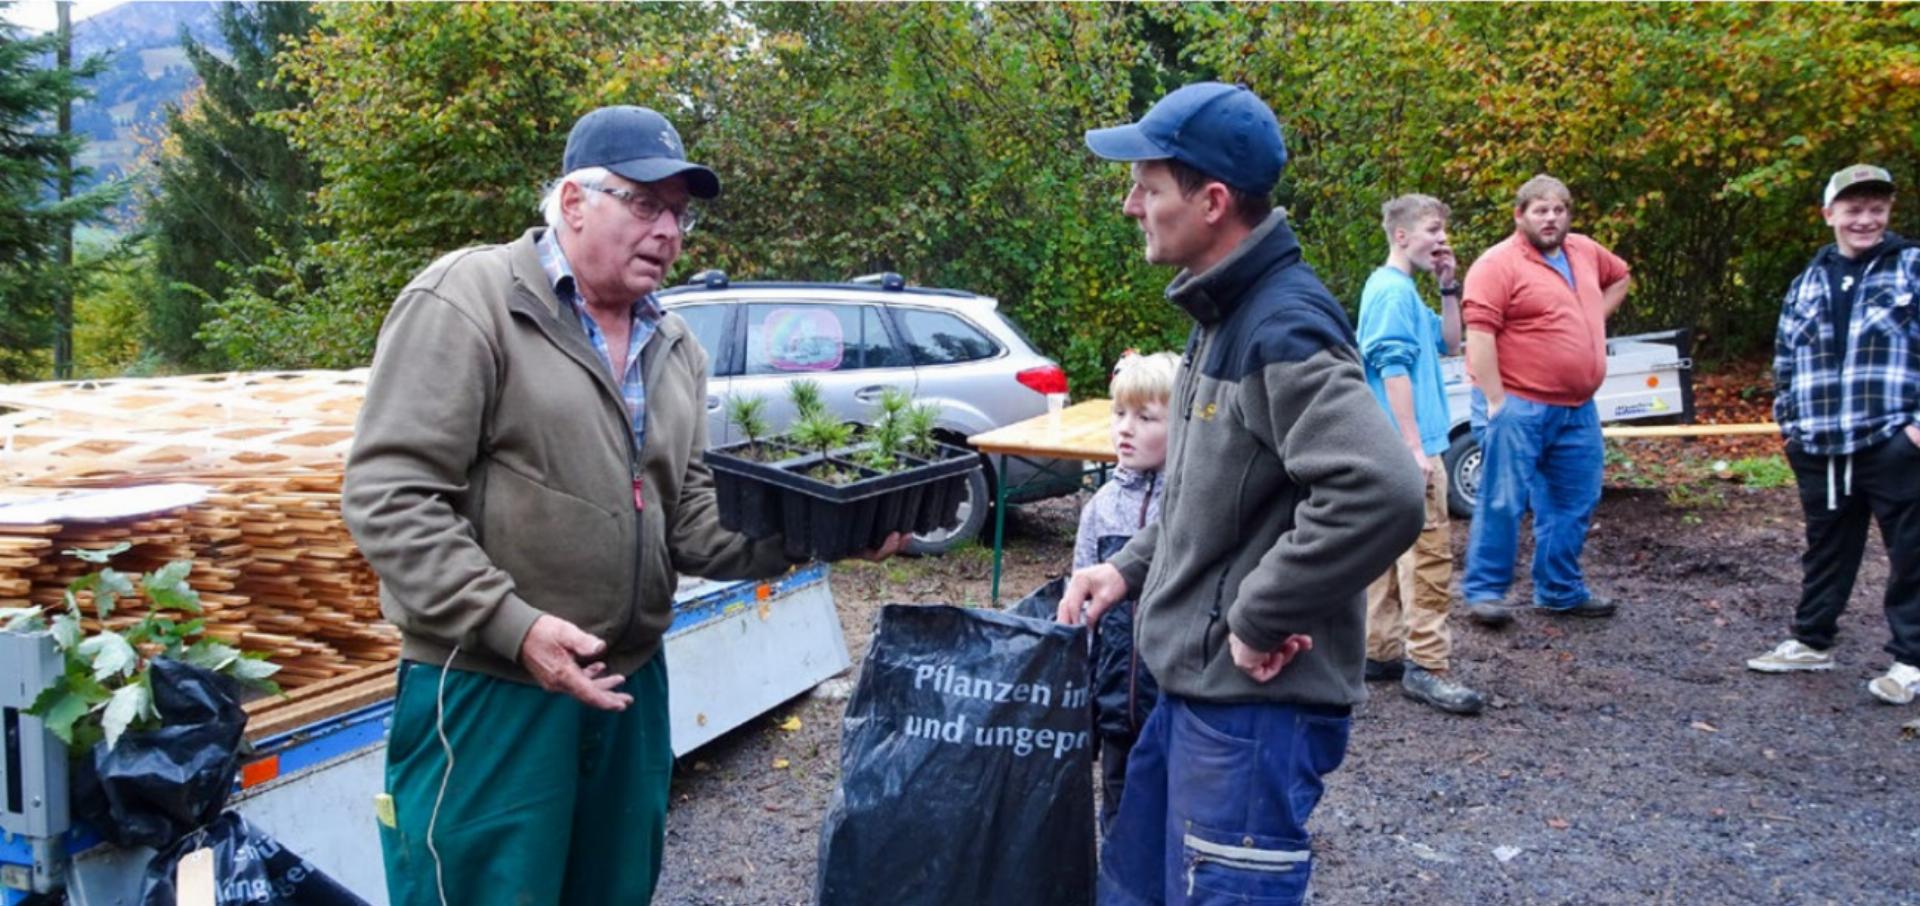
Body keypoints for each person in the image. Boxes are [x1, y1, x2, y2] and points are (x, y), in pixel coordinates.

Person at [342, 105, 901, 906]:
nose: (668, 230)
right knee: (480, 892)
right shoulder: (470, 300)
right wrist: (516, 626)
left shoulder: (675, 346)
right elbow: (389, 495)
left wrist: (817, 532)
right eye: (645, 204)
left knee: (612, 890)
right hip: (492, 689)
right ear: (574, 202)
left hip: (628, 683)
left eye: (679, 213)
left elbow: (690, 517)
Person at [1059, 81, 1424, 905]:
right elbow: (1207, 496)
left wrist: (1262, 615)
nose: (1130, 207)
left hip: (1251, 719)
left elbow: (1382, 490)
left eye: (1148, 188)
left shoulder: (1282, 325)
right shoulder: (1221, 315)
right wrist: (1127, 569)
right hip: (1193, 702)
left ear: (1212, 201)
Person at [1745, 164, 1920, 705]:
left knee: (1911, 552)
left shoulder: (1911, 266)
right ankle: (1812, 641)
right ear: (1830, 215)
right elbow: (1785, 361)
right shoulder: (1808, 281)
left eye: (1876, 208)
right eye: (1853, 209)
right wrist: (1790, 430)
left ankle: (1910, 662)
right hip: (1820, 445)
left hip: (1894, 439)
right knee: (1826, 549)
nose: (1865, 219)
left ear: (1888, 213)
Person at [1459, 175, 1631, 626]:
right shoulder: (1497, 264)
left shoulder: (1586, 252)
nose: (1550, 218)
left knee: (1575, 499)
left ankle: (1559, 589)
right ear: (1520, 215)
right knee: (1504, 499)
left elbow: (1621, 277)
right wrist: (1496, 401)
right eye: (1540, 210)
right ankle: (1484, 594)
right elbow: (1478, 335)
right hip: (1519, 403)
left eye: (1558, 210)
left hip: (1578, 408)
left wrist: (1590, 318)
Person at [1356, 194, 1486, 715]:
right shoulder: (1389, 292)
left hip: (1391, 449)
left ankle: (1380, 651)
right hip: (1408, 449)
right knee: (1428, 558)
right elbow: (1391, 368)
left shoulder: (1403, 290)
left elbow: (1450, 344)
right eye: (1433, 230)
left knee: (1385, 557)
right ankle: (1428, 666)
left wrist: (1449, 284)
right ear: (1402, 236)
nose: (1441, 239)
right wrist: (1414, 447)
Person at [1075, 350, 1177, 832]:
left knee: (1172, 811)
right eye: (1119, 414)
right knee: (1115, 811)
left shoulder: (1190, 507)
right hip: (1116, 700)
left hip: (1174, 704)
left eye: (1145, 417)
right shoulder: (1100, 508)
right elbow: (1081, 612)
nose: (1126, 428)